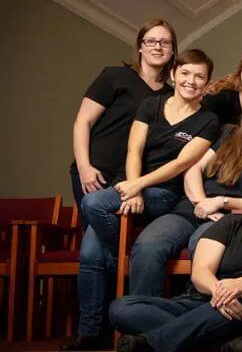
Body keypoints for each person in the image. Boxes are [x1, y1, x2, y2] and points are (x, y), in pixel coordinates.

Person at [67, 49, 221, 351]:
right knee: (90, 253)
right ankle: (89, 333)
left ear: (206, 83)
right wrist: (134, 188)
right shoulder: (151, 105)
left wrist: (138, 185)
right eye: (185, 73)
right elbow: (134, 150)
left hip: (164, 192)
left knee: (95, 204)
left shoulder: (208, 121)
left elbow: (180, 164)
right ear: (174, 74)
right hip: (131, 185)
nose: (191, 81)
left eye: (199, 76)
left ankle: (138, 326)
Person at [109, 166, 242, 352]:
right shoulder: (229, 224)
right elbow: (201, 272)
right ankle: (216, 346)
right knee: (122, 307)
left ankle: (150, 344)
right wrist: (221, 294)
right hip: (202, 301)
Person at [131, 90, 242, 298]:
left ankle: (193, 305)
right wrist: (202, 202)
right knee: (149, 244)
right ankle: (141, 309)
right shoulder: (229, 136)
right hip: (192, 208)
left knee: (200, 245)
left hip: (228, 221)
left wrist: (221, 202)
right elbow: (194, 168)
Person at [71, 19, 175, 209]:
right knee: (97, 223)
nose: (158, 47)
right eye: (151, 41)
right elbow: (83, 122)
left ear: (172, 50)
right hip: (96, 174)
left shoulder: (171, 96)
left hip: (133, 181)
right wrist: (84, 167)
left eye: (165, 42)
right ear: (140, 47)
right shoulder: (114, 77)